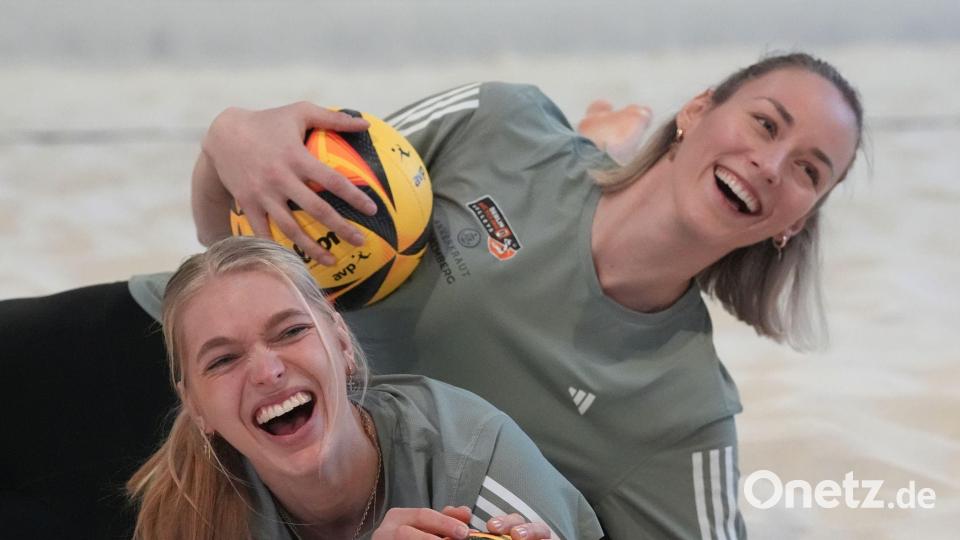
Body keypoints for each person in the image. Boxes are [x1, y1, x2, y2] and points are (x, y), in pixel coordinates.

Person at [0, 52, 864, 539]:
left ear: (797, 223)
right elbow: (234, 236)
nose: (770, 164)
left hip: (237, 501)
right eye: (765, 121)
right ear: (700, 107)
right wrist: (229, 137)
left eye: (809, 173)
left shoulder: (682, 413)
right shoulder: (503, 123)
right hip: (146, 347)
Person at [128, 236, 602, 540]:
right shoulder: (190, 507)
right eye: (224, 359)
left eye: (291, 331)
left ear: (340, 342)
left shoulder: (477, 464)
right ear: (197, 408)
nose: (267, 371)